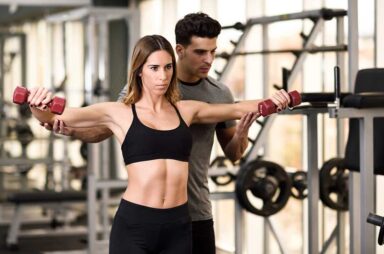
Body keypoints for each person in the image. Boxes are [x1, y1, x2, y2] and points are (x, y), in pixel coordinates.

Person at [41, 14, 289, 254]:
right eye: (200, 52)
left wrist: (273, 103)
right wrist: (68, 128)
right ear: (179, 50)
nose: (209, 59)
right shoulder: (133, 96)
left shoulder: (211, 97)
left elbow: (235, 141)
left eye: (213, 51)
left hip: (192, 212)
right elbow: (102, 127)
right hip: (139, 216)